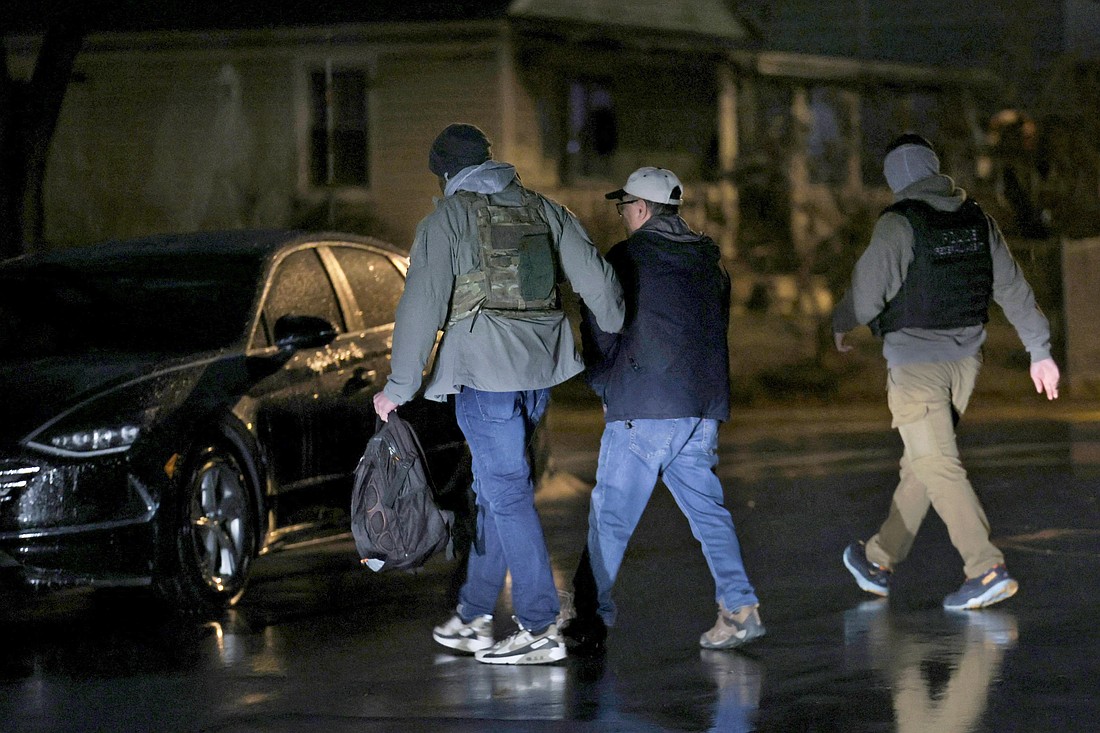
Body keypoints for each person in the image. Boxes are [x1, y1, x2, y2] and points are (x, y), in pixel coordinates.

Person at [372, 123, 624, 665]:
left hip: (485, 378)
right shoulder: (545, 209)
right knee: (494, 492)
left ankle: (538, 625)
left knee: (504, 493)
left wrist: (399, 387)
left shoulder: (447, 219)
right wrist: (615, 329)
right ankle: (473, 615)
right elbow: (602, 288)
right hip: (538, 377)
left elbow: (420, 307)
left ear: (446, 173)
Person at [834, 133, 1060, 610]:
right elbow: (1014, 288)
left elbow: (868, 292)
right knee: (922, 461)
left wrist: (841, 324)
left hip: (916, 364)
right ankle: (878, 559)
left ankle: (985, 568)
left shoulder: (899, 224)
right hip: (965, 366)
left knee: (936, 463)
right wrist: (1039, 349)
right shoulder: (976, 219)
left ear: (896, 176)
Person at [561, 166, 764, 654]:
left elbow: (602, 324)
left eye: (624, 205)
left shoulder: (627, 259)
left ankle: (588, 615)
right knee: (708, 513)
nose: (621, 213)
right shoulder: (708, 260)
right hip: (699, 409)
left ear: (644, 209)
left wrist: (604, 382)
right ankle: (739, 608)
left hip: (642, 407)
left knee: (611, 516)